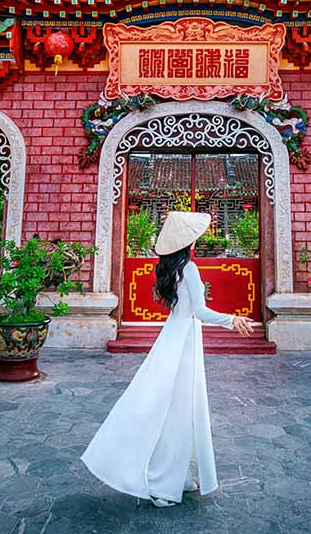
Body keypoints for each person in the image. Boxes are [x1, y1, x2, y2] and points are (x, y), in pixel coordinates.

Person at [81, 211, 254, 507]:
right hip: (182, 343)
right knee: (178, 413)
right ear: (189, 241)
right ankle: (162, 486)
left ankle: (178, 477)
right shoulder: (190, 268)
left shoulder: (173, 267)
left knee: (175, 411)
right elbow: (199, 312)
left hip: (174, 338)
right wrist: (232, 319)